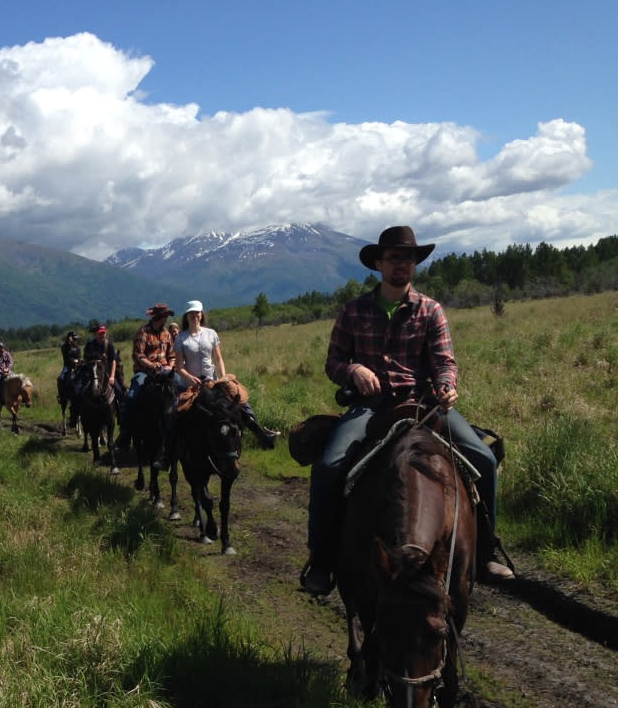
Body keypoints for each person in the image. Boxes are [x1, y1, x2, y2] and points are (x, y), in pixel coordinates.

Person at [300, 226, 514, 596]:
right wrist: (354, 370)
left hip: (423, 403)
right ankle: (322, 558)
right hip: (370, 407)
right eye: (394, 258)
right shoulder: (353, 311)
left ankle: (485, 552)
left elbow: (444, 361)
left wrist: (446, 385)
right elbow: (334, 362)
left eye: (409, 258)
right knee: (330, 466)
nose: (402, 264)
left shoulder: (431, 310)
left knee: (483, 458)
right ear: (379, 264)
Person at [172, 300, 279, 448]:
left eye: (197, 312)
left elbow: (218, 358)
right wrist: (190, 378)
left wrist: (223, 377)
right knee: (175, 411)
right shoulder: (181, 338)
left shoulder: (211, 334)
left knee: (239, 398)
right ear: (187, 316)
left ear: (201, 314)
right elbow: (179, 367)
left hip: (213, 382)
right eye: (191, 313)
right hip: (191, 385)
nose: (195, 315)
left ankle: (261, 434)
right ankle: (169, 450)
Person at [117, 303, 177, 461]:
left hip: (165, 371)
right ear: (159, 317)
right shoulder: (143, 332)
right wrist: (151, 365)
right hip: (145, 372)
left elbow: (172, 354)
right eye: (165, 316)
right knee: (131, 396)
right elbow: (138, 355)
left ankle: (181, 432)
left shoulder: (166, 333)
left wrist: (170, 366)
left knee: (182, 390)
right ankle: (125, 432)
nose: (166, 319)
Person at [80, 323, 124, 400]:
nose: (102, 335)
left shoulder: (109, 344)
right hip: (92, 372)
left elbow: (113, 361)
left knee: (119, 390)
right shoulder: (90, 345)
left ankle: (122, 406)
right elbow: (85, 360)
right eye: (100, 333)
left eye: (103, 333)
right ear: (95, 334)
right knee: (79, 389)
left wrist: (112, 377)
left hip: (107, 373)